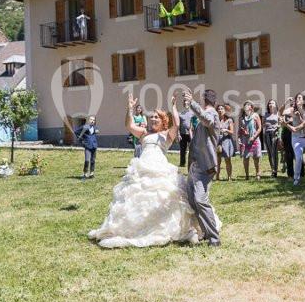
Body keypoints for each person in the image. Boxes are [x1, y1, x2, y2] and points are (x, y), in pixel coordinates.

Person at [88, 93, 218, 248]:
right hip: (142, 169)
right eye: (152, 117)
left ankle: (198, 230)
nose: (153, 119)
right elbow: (129, 126)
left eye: (157, 117)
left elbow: (176, 124)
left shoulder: (166, 135)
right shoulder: (143, 133)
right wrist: (129, 109)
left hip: (160, 169)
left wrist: (174, 107)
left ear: (163, 121)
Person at [183, 87, 222, 247]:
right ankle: (206, 232)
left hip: (205, 166)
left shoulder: (212, 114)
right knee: (193, 201)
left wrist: (192, 103)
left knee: (200, 200)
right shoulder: (203, 117)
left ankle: (215, 238)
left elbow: (208, 120)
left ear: (204, 100)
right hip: (195, 165)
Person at [286, 92, 305, 186]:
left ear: (303, 100)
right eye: (297, 98)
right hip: (296, 138)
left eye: (300, 98)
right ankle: (296, 178)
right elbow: (282, 112)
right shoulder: (292, 110)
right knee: (299, 158)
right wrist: (286, 104)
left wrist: (299, 117)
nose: (297, 100)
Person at [238, 101, 262, 180]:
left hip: (254, 139)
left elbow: (259, 128)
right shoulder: (241, 117)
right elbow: (239, 129)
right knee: (246, 158)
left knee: (256, 157)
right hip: (245, 140)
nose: (246, 106)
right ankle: (247, 175)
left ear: (251, 107)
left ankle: (258, 174)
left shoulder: (255, 115)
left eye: (248, 105)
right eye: (245, 105)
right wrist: (239, 138)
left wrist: (254, 136)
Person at [216, 104, 235, 181]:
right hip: (218, 141)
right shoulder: (215, 120)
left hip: (226, 141)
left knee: (227, 160)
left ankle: (229, 177)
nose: (220, 110)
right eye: (219, 109)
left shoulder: (229, 120)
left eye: (222, 109)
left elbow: (232, 132)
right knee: (217, 160)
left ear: (225, 110)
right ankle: (217, 177)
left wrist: (226, 130)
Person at [262, 100, 281, 178]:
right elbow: (262, 124)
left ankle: (275, 170)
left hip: (274, 134)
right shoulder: (266, 114)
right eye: (269, 103)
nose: (270, 104)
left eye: (272, 103)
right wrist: (265, 124)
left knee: (274, 153)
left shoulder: (278, 114)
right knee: (269, 153)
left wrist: (277, 126)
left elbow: (280, 124)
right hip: (267, 134)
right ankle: (272, 170)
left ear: (275, 105)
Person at [177, 103, 193, 167]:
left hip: (191, 134)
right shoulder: (180, 114)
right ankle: (182, 163)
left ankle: (192, 163)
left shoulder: (193, 113)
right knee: (182, 150)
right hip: (182, 134)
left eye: (187, 104)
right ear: (183, 105)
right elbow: (178, 125)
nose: (186, 105)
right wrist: (178, 134)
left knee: (192, 149)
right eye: (185, 103)